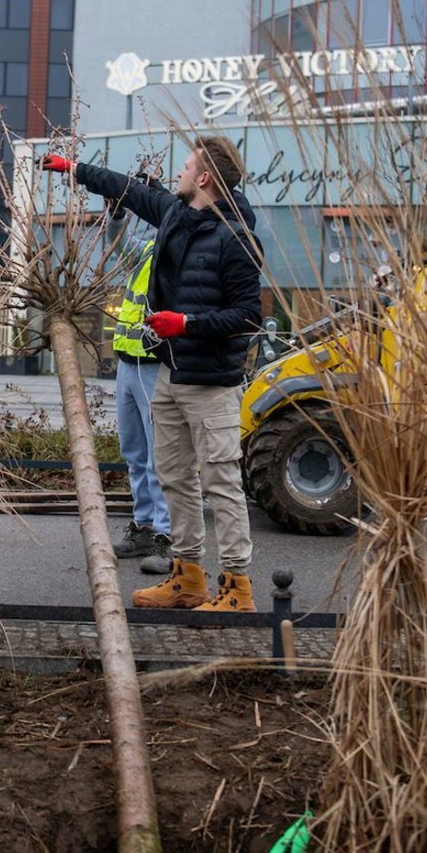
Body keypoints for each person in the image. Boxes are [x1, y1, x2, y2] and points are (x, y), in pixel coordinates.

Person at [42, 136, 262, 612]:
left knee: (221, 482)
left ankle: (238, 588)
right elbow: (126, 188)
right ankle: (188, 577)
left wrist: (188, 324)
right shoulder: (177, 215)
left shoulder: (237, 237)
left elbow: (249, 316)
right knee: (175, 477)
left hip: (211, 383)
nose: (177, 174)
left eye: (186, 167)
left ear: (204, 178)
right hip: (171, 374)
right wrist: (74, 168)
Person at [105, 194, 172, 576]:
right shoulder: (148, 250)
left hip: (151, 367)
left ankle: (164, 534)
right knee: (134, 451)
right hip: (128, 364)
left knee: (159, 456)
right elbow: (117, 247)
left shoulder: (175, 256)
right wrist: (116, 213)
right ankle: (144, 525)